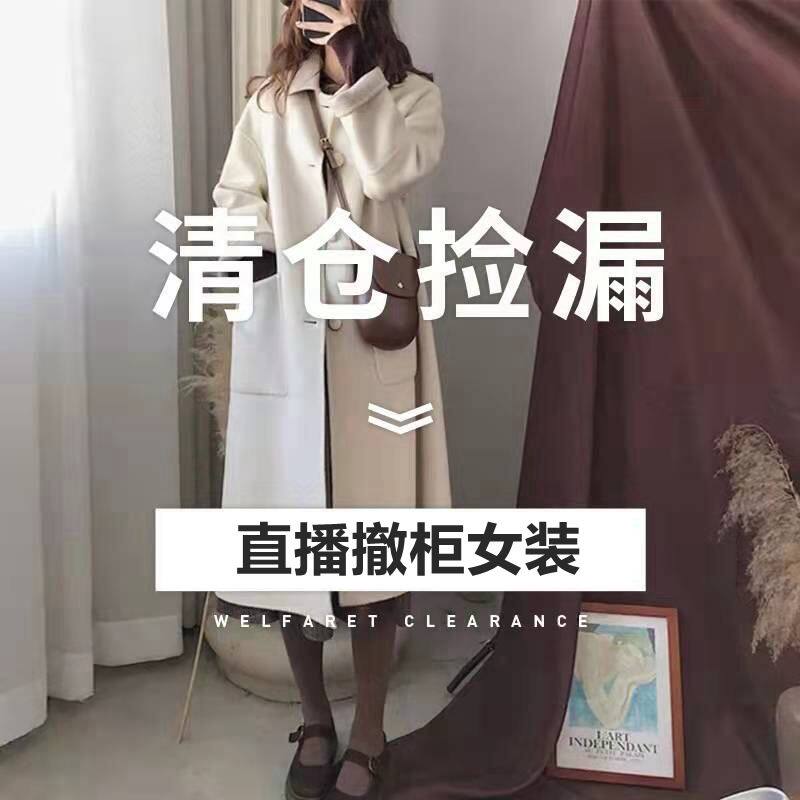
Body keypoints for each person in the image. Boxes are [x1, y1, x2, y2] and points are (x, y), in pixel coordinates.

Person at [212, 1, 451, 798]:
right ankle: (316, 720)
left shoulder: (411, 94)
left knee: (374, 552)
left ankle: (370, 731)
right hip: (288, 341)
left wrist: (356, 76)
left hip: (372, 346)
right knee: (293, 547)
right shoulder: (269, 102)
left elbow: (387, 175)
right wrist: (266, 269)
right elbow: (234, 197)